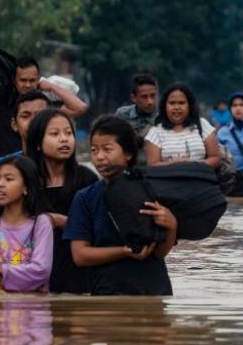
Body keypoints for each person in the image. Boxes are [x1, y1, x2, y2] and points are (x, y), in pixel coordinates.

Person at [64, 115, 177, 296]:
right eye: (94, 150)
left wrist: (172, 225)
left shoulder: (150, 189)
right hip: (107, 293)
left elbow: (160, 252)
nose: (99, 157)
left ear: (128, 153)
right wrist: (123, 252)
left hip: (154, 291)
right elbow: (80, 256)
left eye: (107, 149)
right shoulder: (85, 198)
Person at [0, 38, 88, 160]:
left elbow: (80, 108)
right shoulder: (0, 103)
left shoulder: (45, 107)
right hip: (5, 176)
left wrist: (51, 87)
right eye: (23, 80)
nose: (28, 85)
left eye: (32, 80)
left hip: (35, 174)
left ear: (38, 80)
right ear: (14, 81)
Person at [27, 108, 98, 293]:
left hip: (79, 276)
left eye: (68, 133)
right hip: (35, 277)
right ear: (37, 144)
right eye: (54, 134)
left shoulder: (87, 179)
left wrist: (63, 222)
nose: (64, 139)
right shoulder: (26, 182)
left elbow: (99, 229)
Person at [0, 156, 53, 292]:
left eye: (8, 179)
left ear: (26, 188)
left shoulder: (41, 223)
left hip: (33, 306)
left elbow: (42, 271)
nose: (0, 184)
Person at [0, 91, 50, 205]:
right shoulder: (2, 165)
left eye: (40, 116)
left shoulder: (61, 163)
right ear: (14, 124)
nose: (33, 122)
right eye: (25, 116)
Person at [145, 82, 220, 168]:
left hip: (200, 179)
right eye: (172, 103)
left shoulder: (202, 125)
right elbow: (152, 165)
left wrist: (193, 166)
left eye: (181, 103)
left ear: (189, 105)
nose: (176, 107)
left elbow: (215, 159)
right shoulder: (156, 132)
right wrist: (177, 163)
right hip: (167, 181)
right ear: (165, 106)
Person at [115, 72, 158, 166]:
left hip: (153, 168)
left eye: (152, 96)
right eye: (144, 97)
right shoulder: (122, 115)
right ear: (133, 98)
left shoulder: (162, 118)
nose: (150, 101)